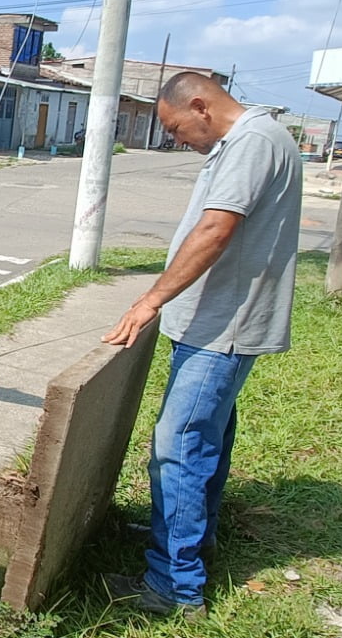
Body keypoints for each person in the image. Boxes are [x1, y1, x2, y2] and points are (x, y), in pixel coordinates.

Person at [100, 72, 302, 619]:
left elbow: (215, 230)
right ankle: (192, 538)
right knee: (205, 438)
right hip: (217, 324)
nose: (176, 139)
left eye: (175, 127)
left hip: (223, 328)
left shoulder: (252, 143)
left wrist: (149, 301)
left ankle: (174, 586)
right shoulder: (248, 139)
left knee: (179, 445)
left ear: (200, 106)